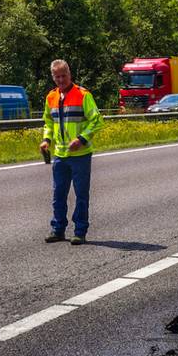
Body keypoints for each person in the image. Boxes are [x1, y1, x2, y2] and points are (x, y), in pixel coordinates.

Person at [41, 59, 105, 244]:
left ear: (70, 74)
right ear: (53, 77)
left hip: (81, 155)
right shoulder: (51, 97)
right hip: (60, 155)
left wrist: (82, 139)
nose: (61, 79)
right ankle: (58, 229)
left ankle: (80, 231)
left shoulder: (83, 95)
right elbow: (49, 122)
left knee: (81, 195)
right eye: (57, 76)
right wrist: (46, 140)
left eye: (64, 75)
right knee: (58, 194)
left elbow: (97, 121)